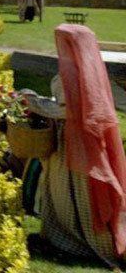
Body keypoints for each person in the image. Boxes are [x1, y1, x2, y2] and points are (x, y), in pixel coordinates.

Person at [32, 24, 126, 266]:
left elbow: (66, 110)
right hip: (87, 142)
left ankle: (76, 239)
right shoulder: (90, 71)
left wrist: (32, 102)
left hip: (73, 144)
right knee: (79, 189)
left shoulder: (72, 73)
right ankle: (74, 235)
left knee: (71, 190)